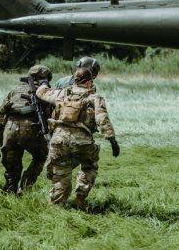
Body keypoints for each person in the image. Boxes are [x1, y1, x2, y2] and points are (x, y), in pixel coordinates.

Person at [37, 67, 119, 210]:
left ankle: (57, 205)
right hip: (83, 142)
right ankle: (80, 199)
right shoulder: (95, 98)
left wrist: (44, 82)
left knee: (60, 172)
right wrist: (112, 140)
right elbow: (102, 119)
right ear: (88, 82)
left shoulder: (61, 94)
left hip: (59, 140)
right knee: (89, 167)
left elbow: (41, 92)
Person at [0, 64, 53, 195]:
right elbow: (50, 115)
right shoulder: (43, 91)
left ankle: (10, 190)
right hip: (31, 129)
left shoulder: (14, 90)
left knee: (11, 165)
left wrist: (1, 138)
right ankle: (26, 187)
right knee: (41, 157)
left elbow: (0, 114)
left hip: (9, 130)